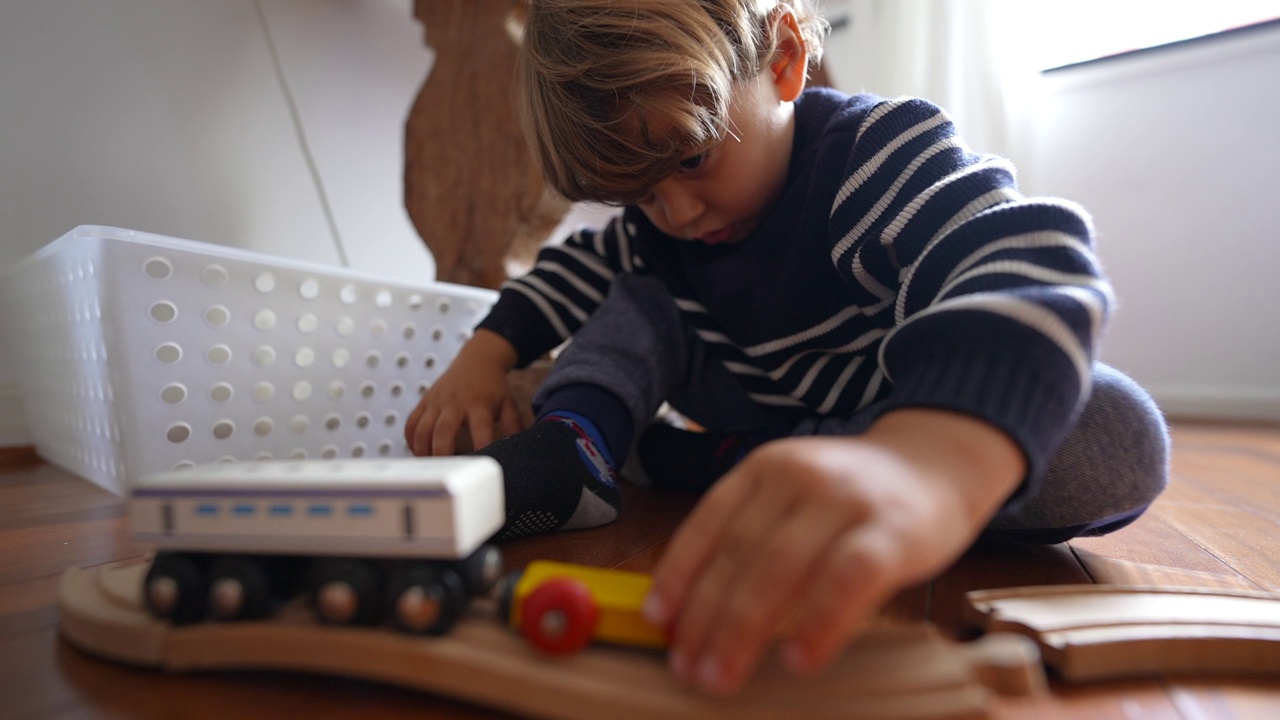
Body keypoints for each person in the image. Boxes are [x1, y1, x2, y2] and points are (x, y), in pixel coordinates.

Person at [405, 0, 1168, 697]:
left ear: (784, 61)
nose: (676, 211)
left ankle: (706, 465)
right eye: (637, 195)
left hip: (878, 423)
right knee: (632, 294)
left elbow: (1028, 251)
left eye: (693, 159)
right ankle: (579, 444)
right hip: (741, 397)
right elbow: (576, 267)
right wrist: (487, 355)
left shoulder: (873, 156)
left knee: (1117, 431)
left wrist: (929, 459)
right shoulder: (657, 228)